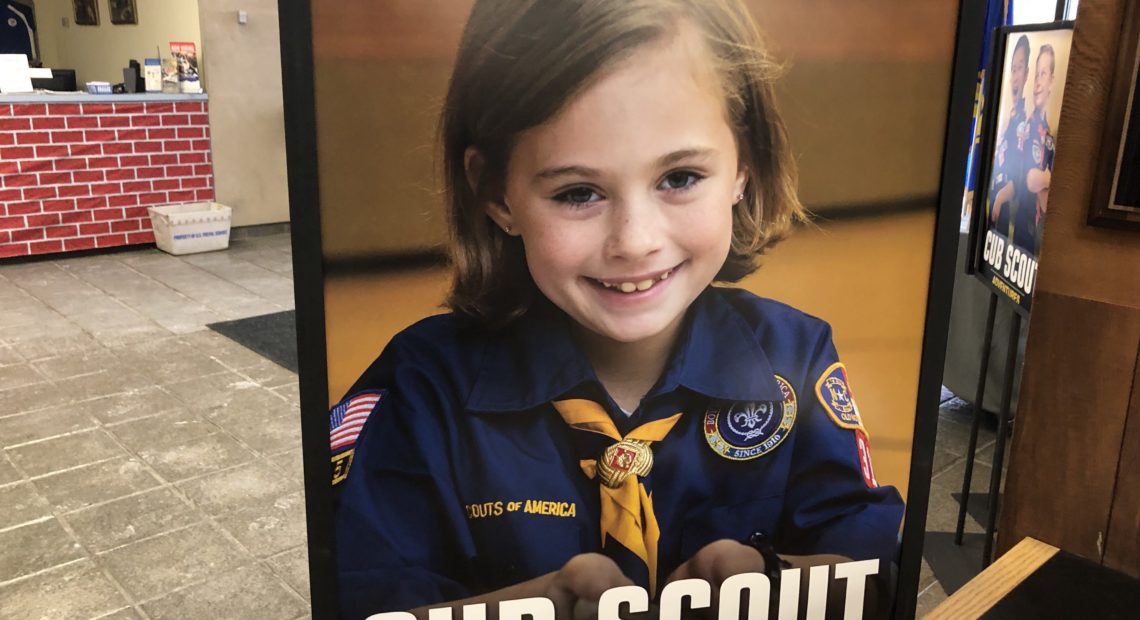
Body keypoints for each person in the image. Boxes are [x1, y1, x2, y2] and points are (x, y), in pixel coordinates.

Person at [330, 1, 905, 618]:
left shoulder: (797, 357)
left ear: (745, 164)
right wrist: (536, 606)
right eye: (578, 193)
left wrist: (772, 578)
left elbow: (874, 567)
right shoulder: (420, 390)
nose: (635, 241)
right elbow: (362, 597)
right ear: (495, 193)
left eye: (680, 178)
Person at [989, 35, 1031, 241]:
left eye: (1020, 68)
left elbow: (1018, 180)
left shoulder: (1025, 121)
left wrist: (998, 200)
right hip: (991, 194)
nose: (1015, 75)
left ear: (1027, 74)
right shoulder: (1004, 115)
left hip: (1004, 205)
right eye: (1013, 69)